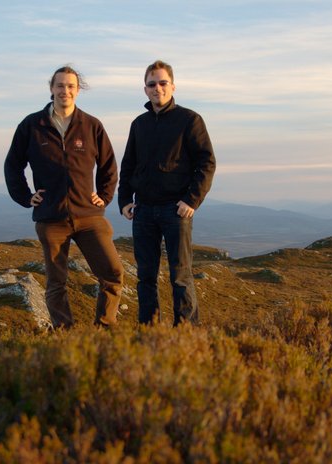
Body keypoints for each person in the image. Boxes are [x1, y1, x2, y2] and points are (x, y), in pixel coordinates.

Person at [4, 65, 123, 329]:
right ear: (51, 89)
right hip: (51, 218)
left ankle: (104, 328)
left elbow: (109, 166)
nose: (65, 91)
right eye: (60, 85)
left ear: (77, 91)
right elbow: (13, 164)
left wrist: (104, 195)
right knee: (56, 282)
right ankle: (64, 333)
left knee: (113, 273)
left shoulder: (91, 125)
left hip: (89, 216)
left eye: (70, 86)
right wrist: (25, 196)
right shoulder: (32, 125)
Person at [118, 60, 215, 326]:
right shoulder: (139, 124)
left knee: (180, 275)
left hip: (176, 209)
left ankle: (185, 336)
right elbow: (128, 165)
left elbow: (207, 163)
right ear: (145, 89)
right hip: (144, 210)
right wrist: (125, 200)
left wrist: (192, 200)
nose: (157, 88)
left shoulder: (189, 120)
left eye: (162, 83)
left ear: (173, 86)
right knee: (145, 276)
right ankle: (149, 333)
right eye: (152, 84)